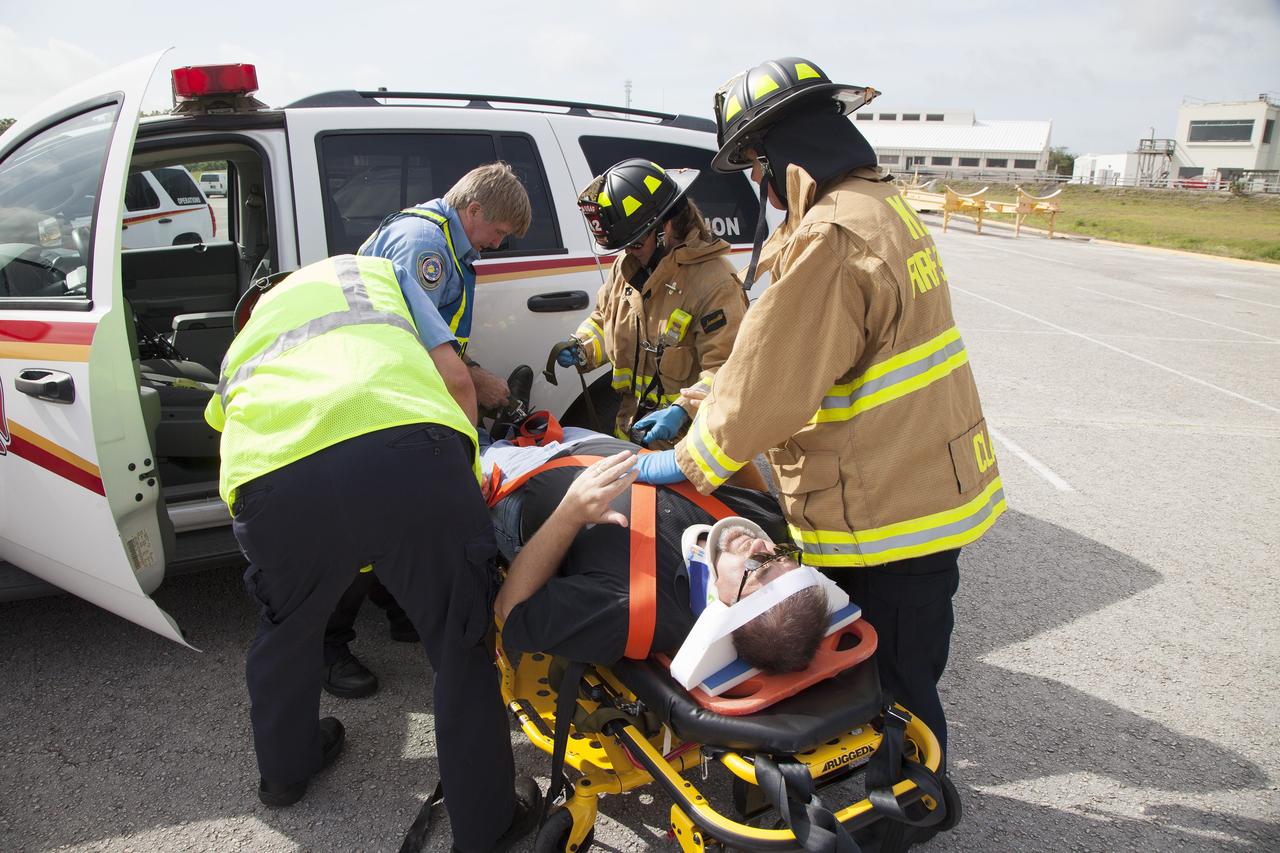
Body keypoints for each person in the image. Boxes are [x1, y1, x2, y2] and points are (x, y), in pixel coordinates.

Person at [631, 57, 1006, 765]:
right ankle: (898, 792)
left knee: (888, 684)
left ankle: (902, 817)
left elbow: (778, 379)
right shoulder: (879, 206)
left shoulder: (830, 237)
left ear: (778, 157)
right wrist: (696, 401)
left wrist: (688, 457)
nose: (757, 184)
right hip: (920, 482)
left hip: (886, 507)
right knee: (903, 669)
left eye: (753, 164)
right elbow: (810, 353)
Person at [204, 254, 538, 852]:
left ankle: (285, 773)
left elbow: (229, 428)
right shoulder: (369, 272)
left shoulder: (244, 343)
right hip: (407, 452)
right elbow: (458, 381)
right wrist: (462, 495)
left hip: (276, 484)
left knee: (286, 628)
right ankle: (487, 827)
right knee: (461, 644)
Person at [321, 162, 534, 699]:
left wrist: (475, 374)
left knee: (400, 517)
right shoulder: (427, 249)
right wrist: (468, 438)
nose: (496, 245)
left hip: (396, 393)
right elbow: (409, 342)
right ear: (474, 210)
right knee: (364, 527)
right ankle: (328, 644)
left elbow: (436, 337)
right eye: (498, 233)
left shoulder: (442, 241)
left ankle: (396, 607)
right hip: (375, 400)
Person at [484, 428, 831, 670]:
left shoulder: (632, 610)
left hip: (521, 482)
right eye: (781, 554)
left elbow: (509, 609)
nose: (760, 544)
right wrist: (717, 440)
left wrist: (570, 512)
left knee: (465, 432)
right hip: (593, 442)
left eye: (759, 565)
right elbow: (753, 494)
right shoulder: (764, 528)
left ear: (725, 610)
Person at [555, 160, 764, 491]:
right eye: (624, 246)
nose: (629, 253)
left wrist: (682, 410)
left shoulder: (714, 284)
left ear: (668, 227)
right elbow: (602, 319)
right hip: (633, 436)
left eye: (636, 243)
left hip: (693, 454)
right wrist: (582, 348)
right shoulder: (627, 269)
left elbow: (729, 372)